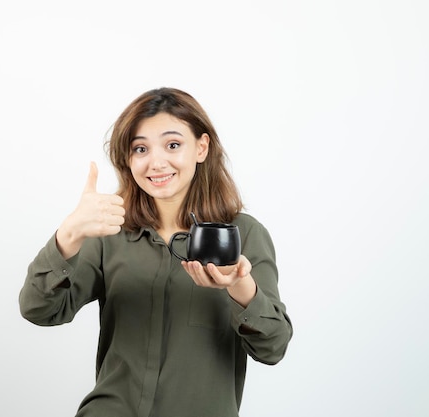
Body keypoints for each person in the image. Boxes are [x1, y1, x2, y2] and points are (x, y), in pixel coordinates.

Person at [19, 87, 292, 417]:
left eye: (173, 144)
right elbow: (39, 310)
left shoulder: (243, 234)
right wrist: (69, 234)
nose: (156, 162)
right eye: (141, 149)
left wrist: (240, 288)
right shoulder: (109, 233)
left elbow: (273, 347)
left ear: (201, 147)